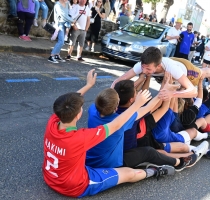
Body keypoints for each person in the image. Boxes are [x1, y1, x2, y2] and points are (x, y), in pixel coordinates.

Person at [42, 69, 175, 198]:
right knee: (130, 174)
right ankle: (154, 171)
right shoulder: (81, 137)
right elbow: (116, 124)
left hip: (50, 176)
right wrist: (137, 104)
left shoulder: (53, 123)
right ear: (78, 115)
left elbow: (67, 104)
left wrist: (88, 85)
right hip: (75, 185)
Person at [110, 47, 210, 103]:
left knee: (202, 72)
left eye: (148, 69)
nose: (144, 71)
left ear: (158, 66)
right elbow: (119, 80)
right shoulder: (144, 64)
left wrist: (172, 94)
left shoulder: (172, 68)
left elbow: (193, 91)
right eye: (143, 67)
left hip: (186, 69)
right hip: (171, 61)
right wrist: (111, 96)